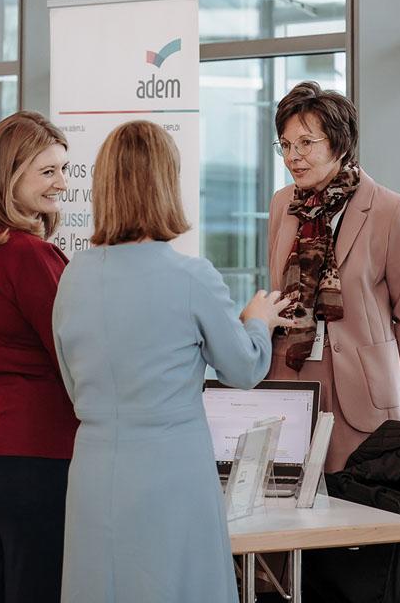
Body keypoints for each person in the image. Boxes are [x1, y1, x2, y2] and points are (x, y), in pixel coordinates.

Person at [52, 120, 292, 603]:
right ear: (166, 183)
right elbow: (243, 369)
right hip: (171, 469)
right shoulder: (190, 276)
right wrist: (258, 321)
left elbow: (72, 381)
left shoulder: (73, 275)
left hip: (94, 466)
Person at [267, 81, 400, 472]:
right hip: (291, 376)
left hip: (359, 388)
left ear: (339, 144)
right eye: (286, 146)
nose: (294, 157)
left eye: (306, 143)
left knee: (356, 510)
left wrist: (374, 364)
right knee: (289, 510)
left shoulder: (390, 210)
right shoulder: (282, 204)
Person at [0, 111, 79, 603]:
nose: (63, 184)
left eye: (63, 169)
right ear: (10, 176)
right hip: (34, 454)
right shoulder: (28, 255)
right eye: (48, 172)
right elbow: (70, 353)